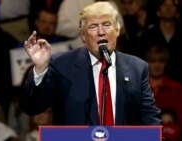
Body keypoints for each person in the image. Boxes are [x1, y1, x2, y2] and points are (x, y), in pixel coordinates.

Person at [22, 1, 161, 125]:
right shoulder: (61, 65)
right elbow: (32, 107)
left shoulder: (137, 67)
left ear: (117, 30)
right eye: (93, 27)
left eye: (107, 25)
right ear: (83, 36)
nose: (101, 32)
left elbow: (150, 119)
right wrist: (40, 70)